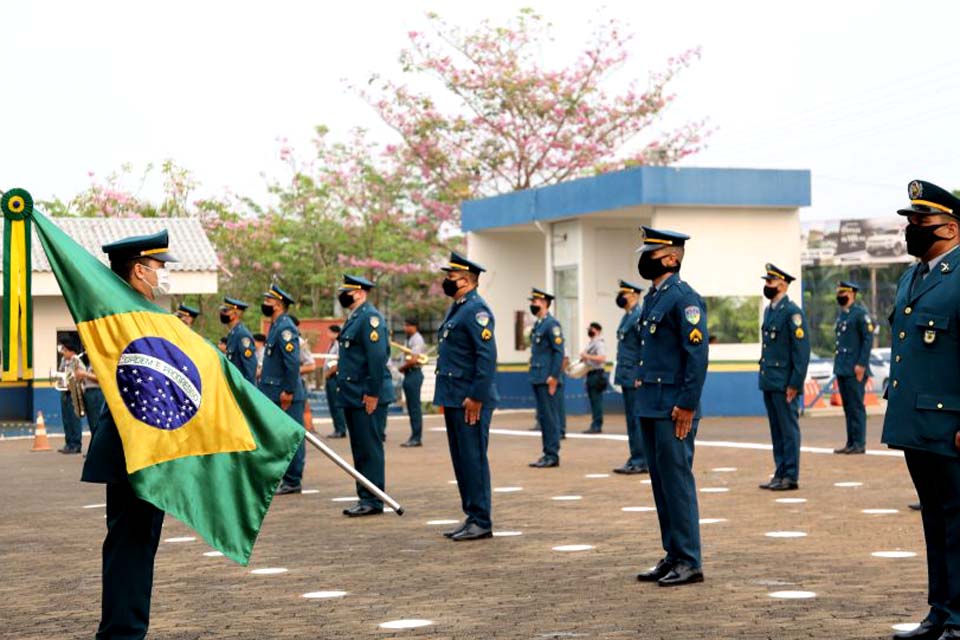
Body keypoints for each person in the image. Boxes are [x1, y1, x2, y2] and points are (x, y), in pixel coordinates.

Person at [82, 229, 176, 639]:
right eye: (158, 268)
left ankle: (123, 629)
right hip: (135, 448)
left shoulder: (134, 312)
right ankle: (122, 633)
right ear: (138, 269)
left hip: (141, 447)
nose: (162, 275)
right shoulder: (130, 316)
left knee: (134, 545)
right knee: (131, 546)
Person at [883, 180, 960, 640]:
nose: (911, 228)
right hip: (918, 420)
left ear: (950, 227)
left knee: (958, 521)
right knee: (936, 518)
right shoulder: (913, 275)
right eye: (910, 220)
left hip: (950, 422)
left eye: (920, 222)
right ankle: (941, 611)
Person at [632, 226, 709, 588]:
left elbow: (696, 354)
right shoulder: (653, 297)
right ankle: (673, 554)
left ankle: (690, 560)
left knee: (677, 482)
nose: (643, 258)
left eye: (651, 253)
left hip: (673, 406)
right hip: (651, 403)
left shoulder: (684, 298)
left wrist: (687, 403)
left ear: (671, 258)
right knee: (661, 484)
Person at [434, 251, 498, 540]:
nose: (446, 281)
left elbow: (486, 356)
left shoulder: (476, 310)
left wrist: (476, 396)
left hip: (469, 398)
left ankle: (481, 519)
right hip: (453, 395)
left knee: (473, 458)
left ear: (466, 280)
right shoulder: (459, 307)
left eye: (451, 277)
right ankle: (471, 514)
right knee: (461, 459)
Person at [336, 274, 395, 517]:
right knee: (360, 449)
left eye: (347, 291)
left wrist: (372, 392)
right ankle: (365, 496)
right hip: (354, 394)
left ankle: (373, 498)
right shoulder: (356, 317)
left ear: (360, 292)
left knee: (369, 448)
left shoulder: (369, 318)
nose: (343, 294)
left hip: (366, 395)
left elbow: (377, 358)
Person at [757, 263, 810, 492]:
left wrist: (795, 383)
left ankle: (791, 475)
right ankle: (779, 471)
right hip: (770, 380)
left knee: (788, 430)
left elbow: (801, 352)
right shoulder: (770, 310)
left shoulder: (792, 312)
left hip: (785, 382)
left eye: (770, 281)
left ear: (782, 283)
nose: (767, 285)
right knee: (777, 430)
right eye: (766, 281)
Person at [259, 284, 306, 495]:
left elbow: (292, 362)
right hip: (274, 392)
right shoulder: (276, 325)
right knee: (282, 437)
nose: (265, 305)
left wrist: (288, 391)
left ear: (278, 304)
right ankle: (288, 478)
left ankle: (293, 479)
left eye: (268, 301)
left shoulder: (285, 327)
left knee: (292, 437)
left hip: (285, 394)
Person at [832, 281, 873, 455]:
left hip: (855, 368)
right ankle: (850, 442)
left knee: (856, 406)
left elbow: (867, 340)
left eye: (843, 293)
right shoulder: (842, 315)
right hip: (842, 367)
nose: (840, 296)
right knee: (848, 407)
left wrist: (861, 364)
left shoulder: (860, 314)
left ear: (852, 294)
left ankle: (859, 443)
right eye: (839, 293)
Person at [613, 280, 649, 474]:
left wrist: (641, 374)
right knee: (631, 420)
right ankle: (635, 457)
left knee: (636, 420)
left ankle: (641, 460)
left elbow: (645, 346)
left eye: (624, 294)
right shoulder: (627, 316)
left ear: (634, 295)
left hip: (634, 375)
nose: (620, 297)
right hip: (626, 374)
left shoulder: (638, 316)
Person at [527, 288, 564, 468]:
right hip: (538, 377)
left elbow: (559, 353)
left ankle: (552, 455)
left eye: (535, 302)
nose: (532, 305)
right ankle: (547, 452)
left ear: (544, 303)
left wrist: (554, 377)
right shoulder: (539, 324)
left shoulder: (552, 324)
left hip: (547, 379)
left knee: (549, 418)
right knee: (543, 417)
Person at [399, 317, 426, 447]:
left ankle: (416, 437)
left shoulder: (417, 339)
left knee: (414, 407)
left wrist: (402, 368)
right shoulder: (409, 339)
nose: (405, 328)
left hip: (414, 374)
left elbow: (414, 360)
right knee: (411, 407)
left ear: (414, 326)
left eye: (407, 325)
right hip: (410, 374)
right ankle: (414, 436)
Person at [221, 296, 258, 385]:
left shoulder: (242, 335)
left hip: (241, 386)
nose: (222, 313)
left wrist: (248, 392)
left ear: (235, 314)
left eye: (226, 311)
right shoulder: (233, 333)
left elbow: (250, 367)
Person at [57, 337, 84, 454]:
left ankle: (76, 444)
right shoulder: (63, 361)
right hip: (64, 392)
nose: (63, 353)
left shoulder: (77, 360)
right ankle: (68, 443)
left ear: (71, 351)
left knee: (74, 419)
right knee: (66, 419)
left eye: (65, 350)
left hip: (74, 392)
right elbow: (60, 372)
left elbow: (81, 375)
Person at [579, 322, 608, 433]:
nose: (589, 331)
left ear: (597, 330)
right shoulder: (591, 343)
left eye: (591, 329)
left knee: (596, 401)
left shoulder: (599, 343)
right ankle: (594, 424)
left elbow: (602, 358)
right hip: (591, 373)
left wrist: (587, 356)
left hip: (597, 374)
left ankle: (597, 425)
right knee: (593, 401)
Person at [74, 348, 105, 440]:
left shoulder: (98, 362)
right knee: (92, 422)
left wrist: (84, 374)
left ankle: (99, 449)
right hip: (89, 392)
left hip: (96, 393)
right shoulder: (90, 364)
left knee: (96, 422)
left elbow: (100, 378)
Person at [323, 325, 348, 439]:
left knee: (336, 404)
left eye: (329, 332)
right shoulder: (331, 345)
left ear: (336, 333)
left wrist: (328, 373)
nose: (328, 335)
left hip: (335, 377)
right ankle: (337, 428)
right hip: (329, 377)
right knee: (332, 404)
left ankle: (341, 429)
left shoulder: (339, 345)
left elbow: (338, 363)